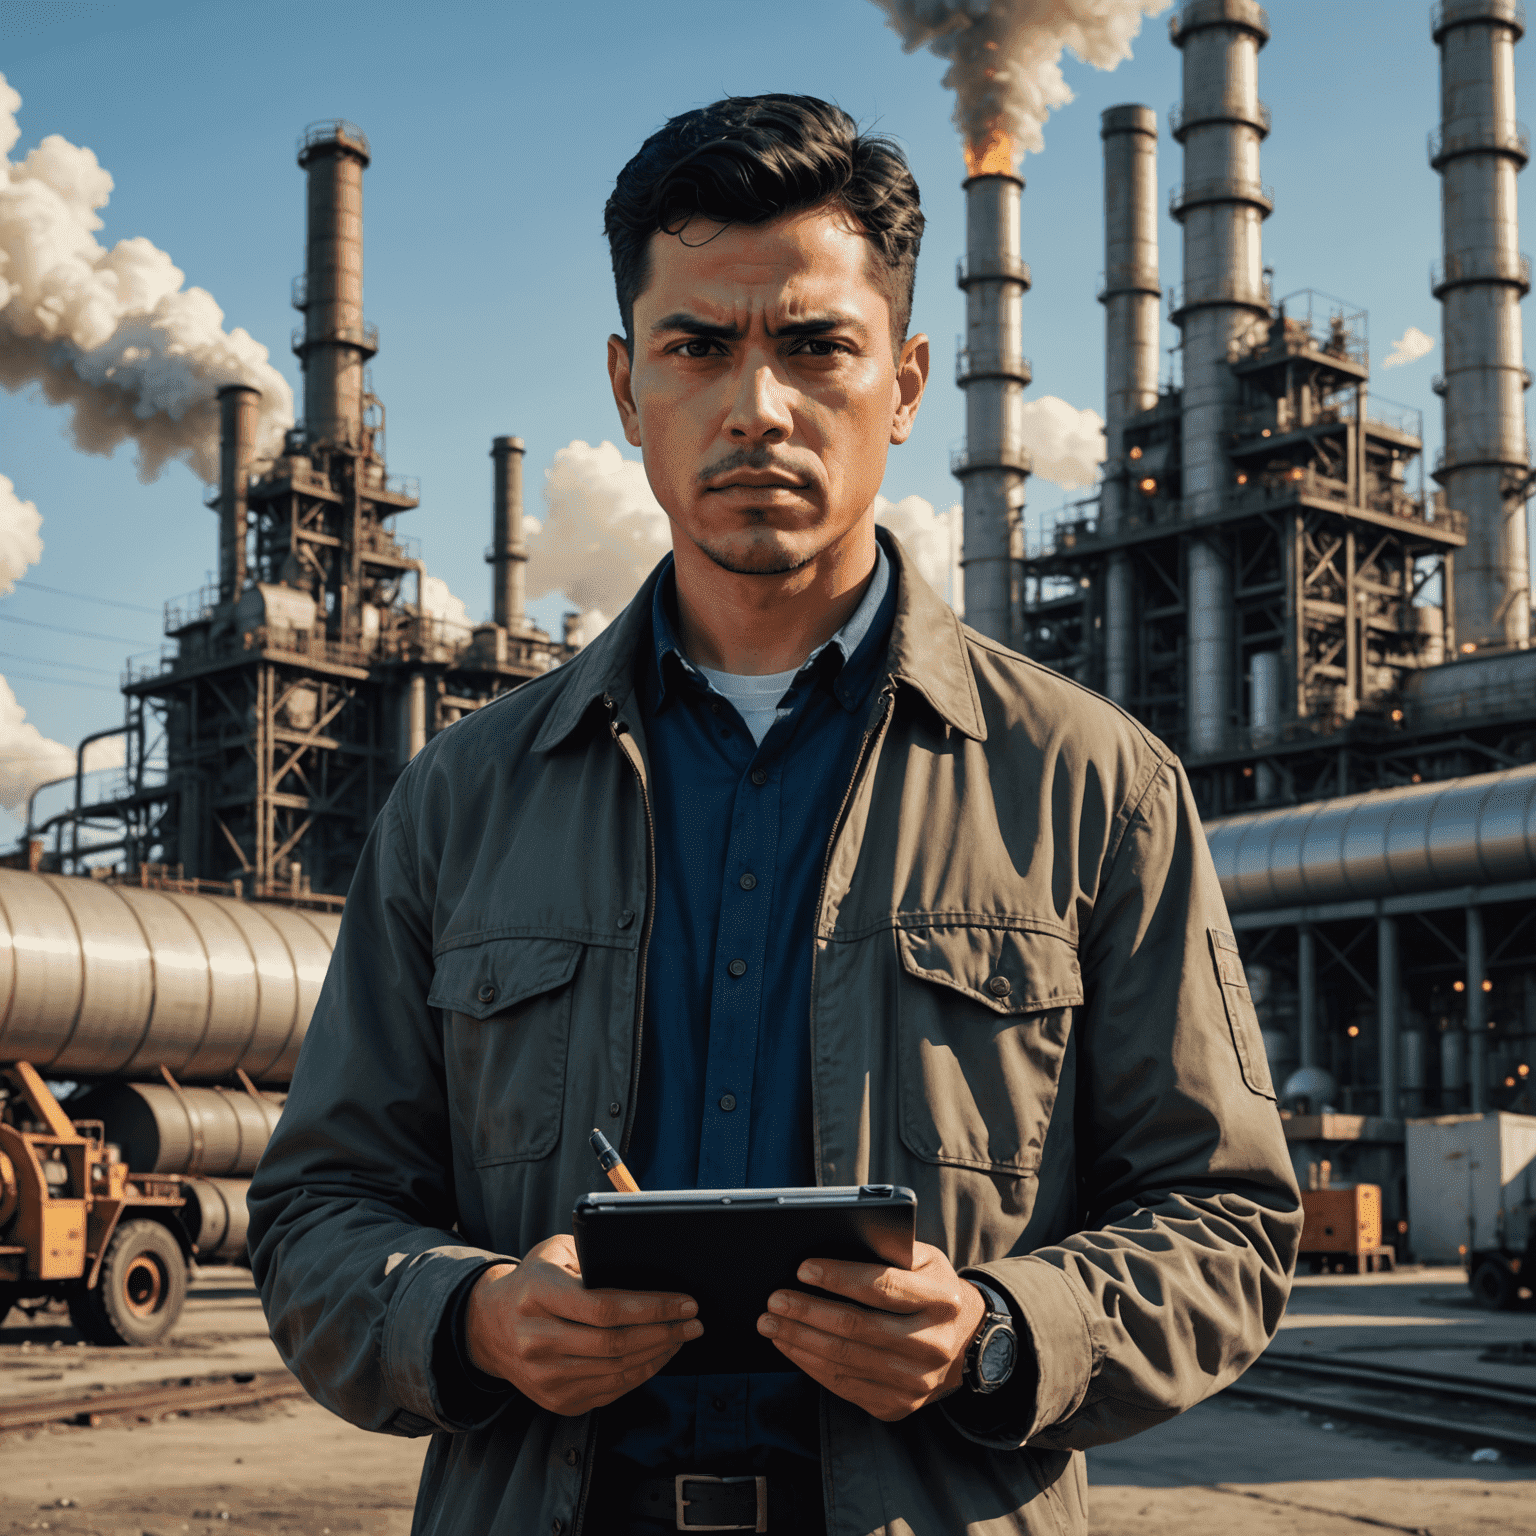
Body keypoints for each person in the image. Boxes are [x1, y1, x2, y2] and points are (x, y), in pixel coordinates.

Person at [249, 94, 1302, 1536]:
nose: (757, 405)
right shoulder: (462, 799)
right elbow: (316, 1213)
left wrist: (1002, 1329)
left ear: (910, 381)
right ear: (628, 389)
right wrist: (473, 1315)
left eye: (816, 346)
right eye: (699, 347)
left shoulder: (1090, 787)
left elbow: (1229, 1222)